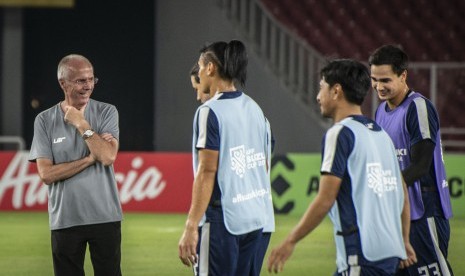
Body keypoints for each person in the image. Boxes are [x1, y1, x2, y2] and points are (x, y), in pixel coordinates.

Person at [267, 59, 417, 275]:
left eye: (321, 88)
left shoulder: (339, 134)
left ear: (336, 90)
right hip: (390, 253)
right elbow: (401, 190)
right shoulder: (381, 134)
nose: (318, 96)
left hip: (362, 255)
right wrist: (404, 240)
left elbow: (325, 198)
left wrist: (290, 241)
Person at [178, 40, 273, 276]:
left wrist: (191, 225)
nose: (199, 73)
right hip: (258, 219)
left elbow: (207, 171)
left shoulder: (209, 111)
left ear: (210, 68)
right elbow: (264, 163)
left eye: (201, 67)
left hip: (224, 221)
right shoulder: (255, 109)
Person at [28, 54, 123, 276]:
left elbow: (108, 157)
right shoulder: (44, 120)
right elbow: (46, 174)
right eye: (81, 80)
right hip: (65, 220)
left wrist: (81, 124)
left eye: (91, 79)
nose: (88, 85)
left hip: (105, 217)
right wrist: (90, 158)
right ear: (63, 83)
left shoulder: (107, 111)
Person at [369, 45, 454, 276]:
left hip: (425, 212)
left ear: (403, 75)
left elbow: (420, 166)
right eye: (374, 80)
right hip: (397, 213)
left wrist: (383, 187)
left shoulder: (418, 107)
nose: (379, 86)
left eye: (385, 80)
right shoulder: (380, 112)